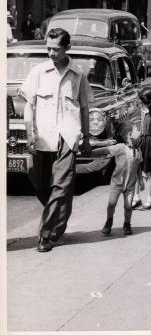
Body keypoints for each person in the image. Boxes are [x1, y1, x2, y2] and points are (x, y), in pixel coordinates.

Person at [19, 28, 93, 252]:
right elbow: (28, 105)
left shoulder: (78, 74)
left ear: (67, 48)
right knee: (42, 186)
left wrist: (86, 137)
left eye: (56, 49)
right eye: (48, 48)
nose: (50, 53)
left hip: (68, 137)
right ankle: (59, 220)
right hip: (42, 137)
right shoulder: (38, 72)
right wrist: (30, 133)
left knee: (61, 187)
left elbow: (84, 108)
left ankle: (45, 234)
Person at [92, 123, 143, 236]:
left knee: (128, 206)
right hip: (117, 183)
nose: (140, 138)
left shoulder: (139, 151)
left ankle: (127, 224)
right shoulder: (121, 148)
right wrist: (91, 152)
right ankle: (109, 222)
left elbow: (138, 166)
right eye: (138, 136)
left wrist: (141, 180)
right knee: (112, 204)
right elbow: (106, 150)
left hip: (130, 185)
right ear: (130, 135)